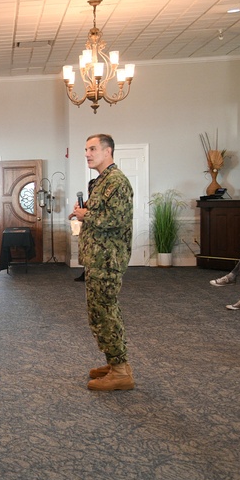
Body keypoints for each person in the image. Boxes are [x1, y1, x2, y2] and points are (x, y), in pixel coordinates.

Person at [72, 133, 135, 391]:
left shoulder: (116, 181)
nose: (87, 154)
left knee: (105, 313)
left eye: (92, 149)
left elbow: (116, 220)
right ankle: (116, 363)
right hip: (98, 257)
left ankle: (120, 372)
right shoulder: (101, 182)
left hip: (107, 259)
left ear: (107, 151)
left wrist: (86, 215)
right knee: (100, 312)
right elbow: (102, 213)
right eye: (86, 149)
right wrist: (83, 211)